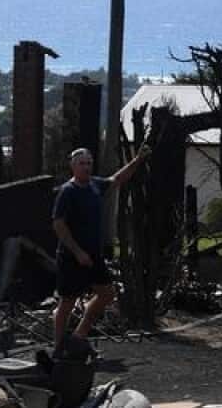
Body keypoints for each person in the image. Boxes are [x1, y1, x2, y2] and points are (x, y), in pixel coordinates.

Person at [52, 146, 150, 357]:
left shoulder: (96, 185)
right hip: (71, 256)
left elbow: (117, 179)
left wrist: (138, 160)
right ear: (73, 166)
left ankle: (79, 336)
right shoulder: (67, 191)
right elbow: (59, 225)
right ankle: (59, 348)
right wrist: (77, 252)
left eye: (89, 163)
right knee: (67, 302)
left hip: (94, 254)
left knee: (107, 294)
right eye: (82, 163)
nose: (86, 167)